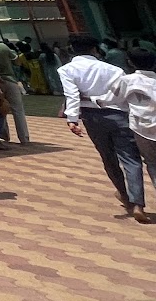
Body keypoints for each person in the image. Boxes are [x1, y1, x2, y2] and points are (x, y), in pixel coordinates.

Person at [59, 33, 146, 222]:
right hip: (120, 115)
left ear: (72, 49)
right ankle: (138, 202)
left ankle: (124, 195)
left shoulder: (67, 70)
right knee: (131, 159)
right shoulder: (113, 69)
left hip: (92, 118)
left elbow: (71, 95)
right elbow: (124, 95)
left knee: (108, 157)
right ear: (95, 49)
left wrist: (72, 119)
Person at [112, 46, 156, 209]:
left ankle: (137, 204)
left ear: (130, 62)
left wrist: (94, 101)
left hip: (142, 128)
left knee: (152, 163)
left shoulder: (127, 80)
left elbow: (114, 98)